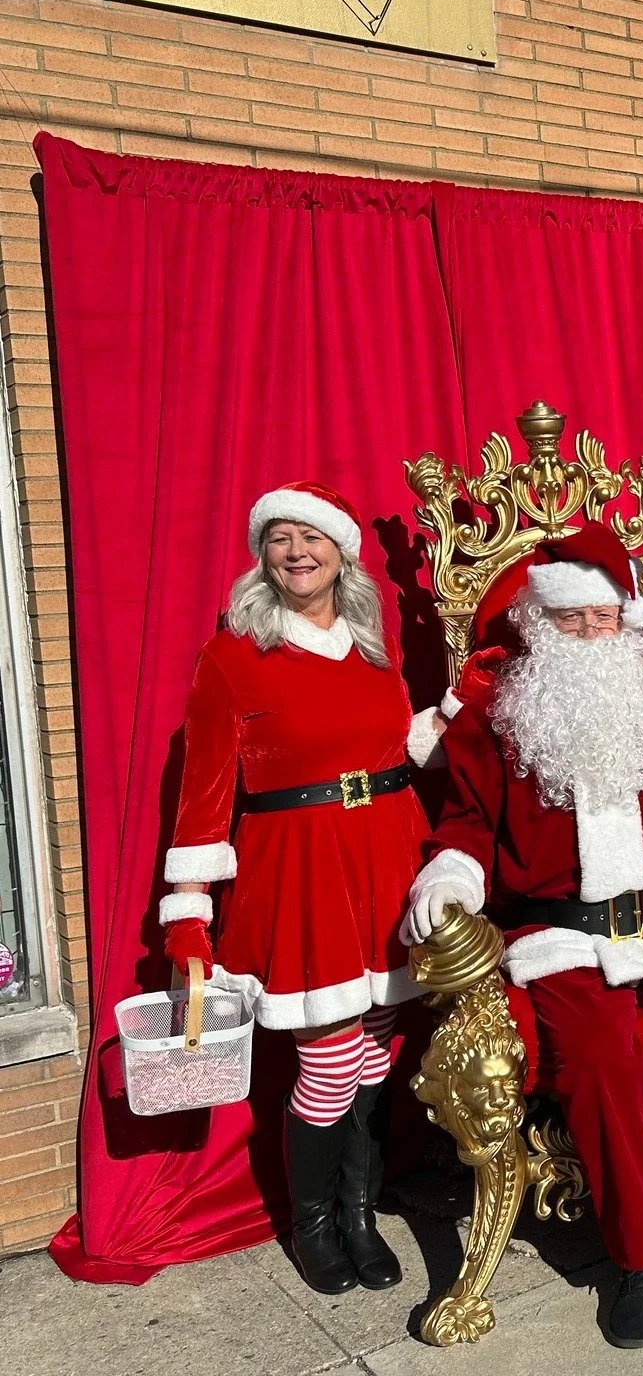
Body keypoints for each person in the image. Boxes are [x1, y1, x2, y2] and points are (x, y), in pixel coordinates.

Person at [403, 521, 643, 1352]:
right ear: (541, 623)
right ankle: (639, 1257)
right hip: (559, 941)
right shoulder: (500, 718)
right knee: (602, 1058)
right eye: (573, 621)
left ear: (629, 621)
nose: (592, 635)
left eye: (605, 619)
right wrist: (450, 877)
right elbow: (464, 822)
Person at [158, 481, 450, 1296]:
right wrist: (189, 921)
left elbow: (400, 745)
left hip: (386, 858)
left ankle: (360, 1214)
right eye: (280, 538)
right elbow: (204, 795)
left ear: (341, 552)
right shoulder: (232, 656)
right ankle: (312, 1223)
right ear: (263, 555)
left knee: (373, 1053)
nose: (297, 551)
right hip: (300, 871)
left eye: (311, 537)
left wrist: (459, 710)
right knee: (325, 1065)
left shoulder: (370, 643)